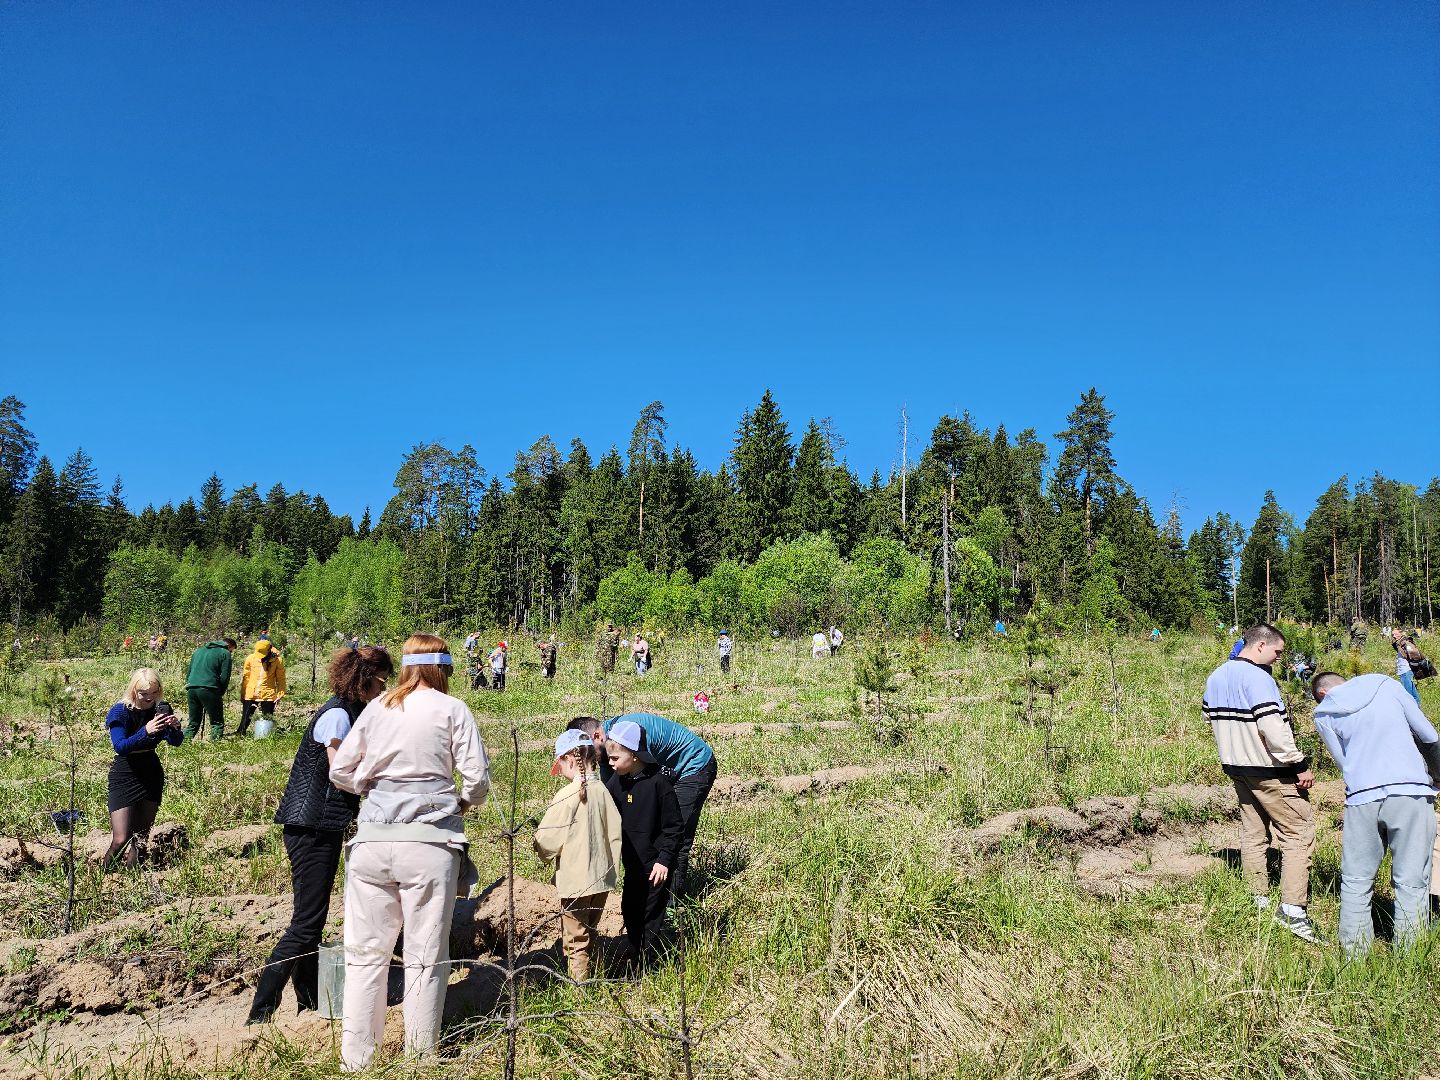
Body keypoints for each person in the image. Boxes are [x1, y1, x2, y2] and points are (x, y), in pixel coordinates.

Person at [329, 634, 491, 1072]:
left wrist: (374, 787)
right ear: (443, 669)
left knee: (365, 955)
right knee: (425, 954)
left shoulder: (378, 706)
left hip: (371, 844)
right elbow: (476, 780)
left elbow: (341, 769)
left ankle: (357, 1060)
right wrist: (459, 802)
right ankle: (420, 1059)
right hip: (430, 843)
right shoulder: (453, 710)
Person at [248, 646, 396, 1024]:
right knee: (306, 924)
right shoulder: (336, 716)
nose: (383, 689)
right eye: (381, 681)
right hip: (311, 827)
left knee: (311, 920)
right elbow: (342, 772)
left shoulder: (347, 712)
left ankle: (309, 1002)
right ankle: (261, 1011)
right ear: (364, 677)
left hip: (320, 826)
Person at [1201, 623, 1319, 942]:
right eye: (1277, 652)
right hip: (1269, 769)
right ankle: (1293, 911)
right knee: (1298, 833)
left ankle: (1259, 899)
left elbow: (1209, 717)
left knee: (1254, 832)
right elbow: (1273, 728)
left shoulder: (1216, 675)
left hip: (1236, 767)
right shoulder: (1259, 678)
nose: (1279, 658)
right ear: (1260, 645)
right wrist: (1299, 764)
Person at [1311, 670, 1440, 954]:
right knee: (1411, 879)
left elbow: (1344, 763)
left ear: (1322, 693)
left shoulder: (1323, 713)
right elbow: (1429, 735)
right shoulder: (1386, 684)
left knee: (1356, 880)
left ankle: (1354, 956)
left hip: (1361, 797)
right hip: (1409, 791)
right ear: (1341, 682)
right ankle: (1410, 954)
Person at [572, 711, 717, 899]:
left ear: (597, 736)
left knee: (675, 834)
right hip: (667, 770)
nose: (588, 759)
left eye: (589, 752)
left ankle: (670, 906)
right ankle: (646, 892)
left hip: (693, 766)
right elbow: (611, 797)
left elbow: (647, 787)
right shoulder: (610, 753)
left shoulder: (629, 736)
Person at [533, 730, 622, 982]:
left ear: (570, 760)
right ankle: (594, 976)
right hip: (601, 877)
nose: (559, 771)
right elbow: (614, 833)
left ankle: (579, 992)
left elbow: (548, 839)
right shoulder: (603, 791)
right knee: (590, 932)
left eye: (560, 765)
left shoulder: (567, 794)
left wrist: (539, 849)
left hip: (576, 882)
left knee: (575, 941)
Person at [602, 720, 682, 969]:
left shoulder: (659, 784)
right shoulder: (618, 781)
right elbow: (605, 804)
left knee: (650, 915)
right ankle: (636, 952)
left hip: (655, 866)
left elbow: (674, 828)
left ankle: (647, 964)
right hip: (633, 864)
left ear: (634, 756)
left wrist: (664, 859)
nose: (611, 763)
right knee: (629, 909)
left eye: (615, 758)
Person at [104, 669, 183, 867]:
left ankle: (133, 879)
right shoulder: (120, 711)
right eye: (144, 694)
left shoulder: (160, 709)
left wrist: (174, 728)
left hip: (151, 771)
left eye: (154, 693)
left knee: (140, 838)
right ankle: (102, 879)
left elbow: (175, 742)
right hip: (125, 772)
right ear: (134, 690)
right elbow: (120, 746)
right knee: (121, 838)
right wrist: (145, 731)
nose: (149, 698)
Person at [184, 637, 236, 740]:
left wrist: (190, 685)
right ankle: (215, 746)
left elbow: (189, 672)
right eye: (232, 650)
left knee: (193, 722)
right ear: (229, 646)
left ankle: (184, 743)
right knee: (217, 722)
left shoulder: (198, 651)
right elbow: (225, 677)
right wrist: (220, 692)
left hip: (191, 687)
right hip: (210, 689)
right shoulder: (225, 653)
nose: (231, 652)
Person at [238, 639, 287, 736]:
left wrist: (280, 693)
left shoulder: (277, 660)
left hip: (268, 694)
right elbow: (246, 677)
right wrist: (243, 693)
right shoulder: (250, 658)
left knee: (267, 718)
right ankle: (240, 735)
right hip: (251, 693)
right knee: (246, 718)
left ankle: (264, 737)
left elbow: (280, 678)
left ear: (269, 650)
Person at [1392, 628, 1426, 705]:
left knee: (1408, 692)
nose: (1394, 636)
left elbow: (1414, 654)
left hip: (1406, 670)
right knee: (1412, 690)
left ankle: (1412, 709)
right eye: (1393, 634)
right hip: (1404, 670)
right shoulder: (1400, 643)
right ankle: (1417, 706)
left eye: (1396, 634)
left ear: (1401, 633)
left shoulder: (1405, 642)